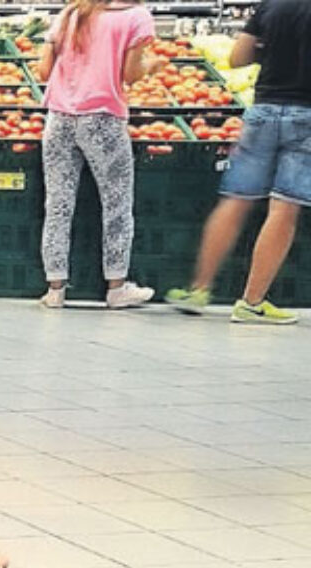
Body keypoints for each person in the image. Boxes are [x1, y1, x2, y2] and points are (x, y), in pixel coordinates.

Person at [165, 0, 311, 325]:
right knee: (284, 208)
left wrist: (272, 52)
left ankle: (199, 290)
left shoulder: (271, 6)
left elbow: (237, 57)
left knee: (236, 200)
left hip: (262, 110)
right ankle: (251, 302)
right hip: (306, 117)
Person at [33, 0, 161, 309]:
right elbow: (130, 74)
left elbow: (43, 70)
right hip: (102, 118)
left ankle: (55, 289)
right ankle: (117, 288)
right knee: (117, 203)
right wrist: (151, 66)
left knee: (58, 204)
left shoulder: (72, 12)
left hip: (59, 117)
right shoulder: (136, 16)